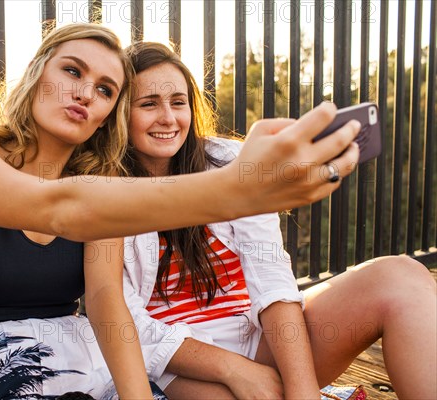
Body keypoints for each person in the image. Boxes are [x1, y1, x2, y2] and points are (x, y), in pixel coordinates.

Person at [0, 21, 360, 398]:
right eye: (72, 71)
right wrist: (240, 190)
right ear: (35, 73)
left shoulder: (102, 184)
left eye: (105, 90)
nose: (86, 93)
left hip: (82, 364)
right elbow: (57, 209)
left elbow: (107, 303)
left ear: (109, 113)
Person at [121, 41, 437, 400]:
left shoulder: (231, 160)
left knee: (403, 277)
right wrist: (233, 368)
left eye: (178, 102)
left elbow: (270, 278)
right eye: (148, 103)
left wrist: (303, 391)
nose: (168, 118)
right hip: (181, 363)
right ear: (119, 114)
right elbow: (126, 321)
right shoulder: (103, 188)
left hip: (260, 341)